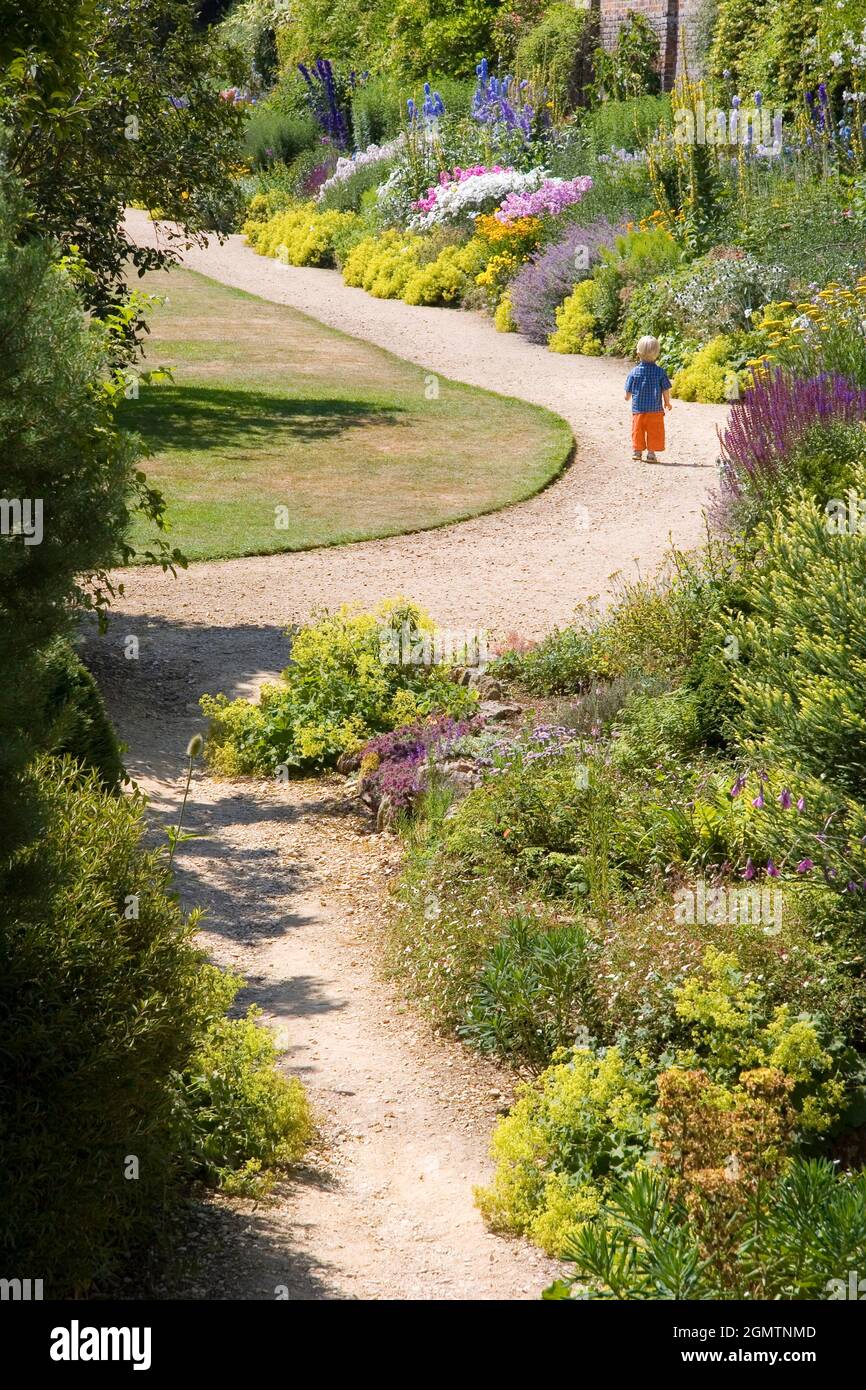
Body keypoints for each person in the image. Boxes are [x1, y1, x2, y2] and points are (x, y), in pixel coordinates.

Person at [625, 335, 672, 463]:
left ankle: (637, 452)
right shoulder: (660, 372)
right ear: (657, 354)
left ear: (638, 353)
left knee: (637, 430)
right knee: (654, 431)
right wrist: (667, 402)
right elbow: (665, 389)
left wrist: (627, 396)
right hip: (655, 409)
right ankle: (651, 454)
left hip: (638, 409)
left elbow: (628, 391)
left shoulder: (634, 372)